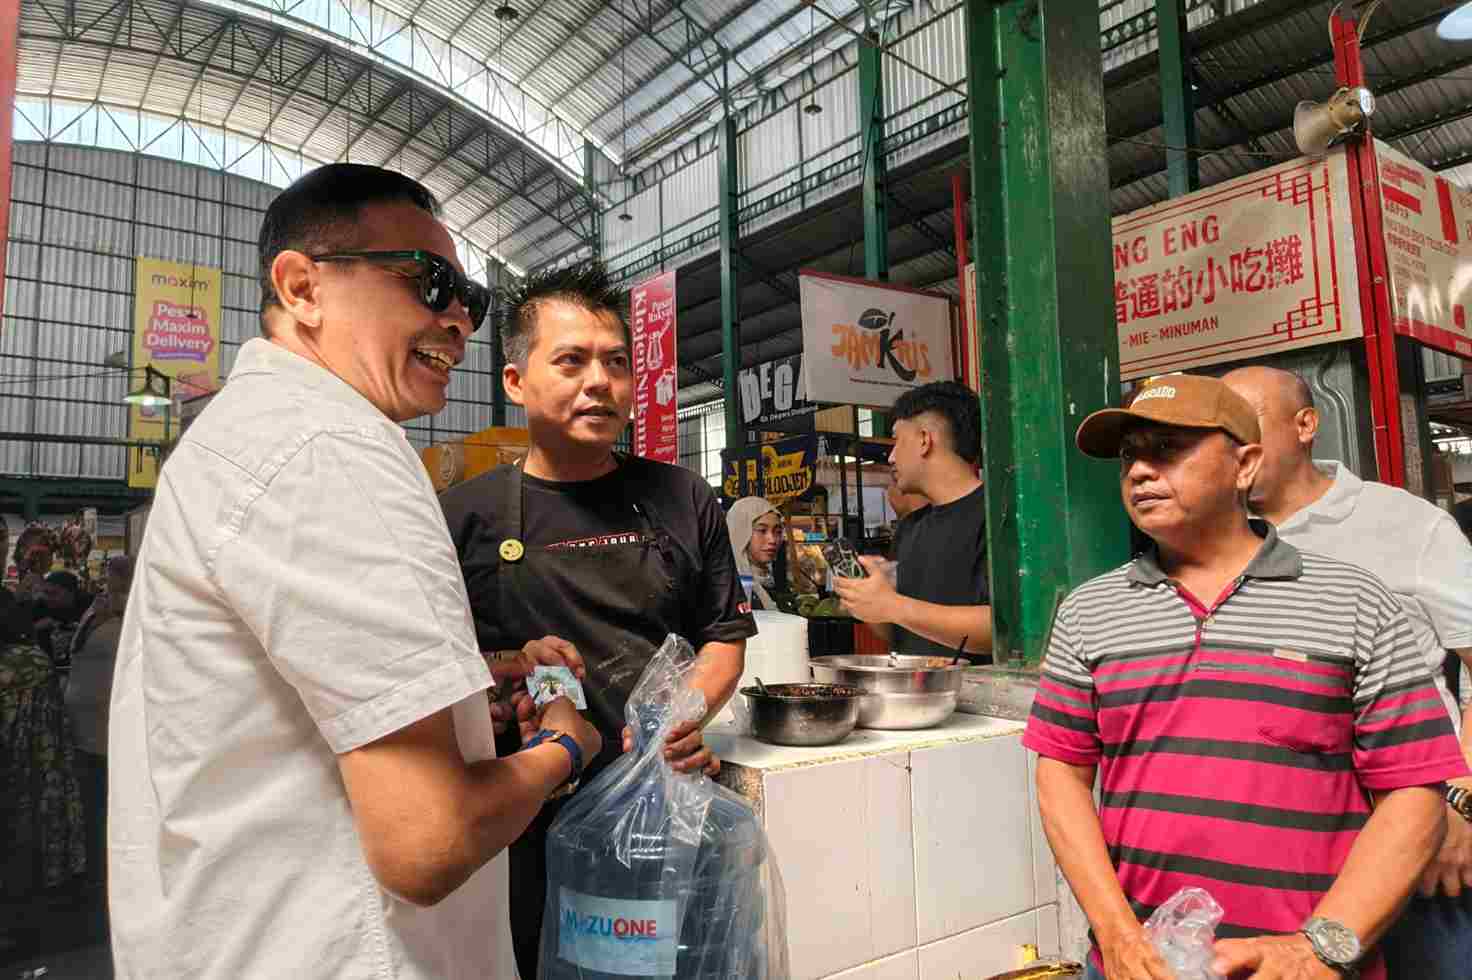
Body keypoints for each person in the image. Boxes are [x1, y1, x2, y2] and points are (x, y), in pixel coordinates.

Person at [108, 163, 602, 980]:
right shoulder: (329, 450)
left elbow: (285, 699)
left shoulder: (257, 434)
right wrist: (562, 747)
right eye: (429, 282)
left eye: (470, 302)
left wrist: (469, 683)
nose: (457, 323)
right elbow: (428, 842)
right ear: (302, 287)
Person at [1024, 372, 1469, 980]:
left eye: (1169, 450)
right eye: (1131, 456)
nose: (1140, 472)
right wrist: (1118, 935)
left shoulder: (1354, 600)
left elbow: (1413, 794)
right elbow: (1062, 776)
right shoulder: (1090, 611)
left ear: (1245, 464)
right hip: (1143, 964)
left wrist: (1319, 949)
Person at [440, 260, 755, 978]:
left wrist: (679, 722)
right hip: (520, 817)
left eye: (616, 362)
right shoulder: (466, 515)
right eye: (572, 360)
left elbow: (722, 640)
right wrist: (503, 679)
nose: (599, 382)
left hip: (661, 812)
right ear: (516, 382)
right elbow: (437, 673)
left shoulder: (682, 498)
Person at [1223, 365, 1472, 979]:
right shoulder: (1214, 539)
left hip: (1416, 838)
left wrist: (1463, 804)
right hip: (1280, 853)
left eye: (1245, 423)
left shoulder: (1407, 526)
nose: (1231, 444)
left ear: (1306, 425)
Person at [831, 380, 991, 660]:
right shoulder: (910, 527)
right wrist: (867, 601)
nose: (891, 456)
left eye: (896, 440)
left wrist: (894, 605)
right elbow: (901, 633)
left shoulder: (993, 517)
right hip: (912, 696)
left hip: (978, 700)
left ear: (924, 440)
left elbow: (999, 628)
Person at [64, 555, 132, 886]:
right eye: (109, 578)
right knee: (91, 804)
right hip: (84, 730)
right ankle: (93, 871)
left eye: (118, 579)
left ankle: (108, 874)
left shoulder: (134, 621)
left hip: (111, 733)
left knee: (107, 806)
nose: (110, 585)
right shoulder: (97, 609)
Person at [727, 495, 783, 609]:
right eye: (762, 530)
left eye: (777, 531)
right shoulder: (731, 587)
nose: (772, 540)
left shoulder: (767, 580)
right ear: (740, 532)